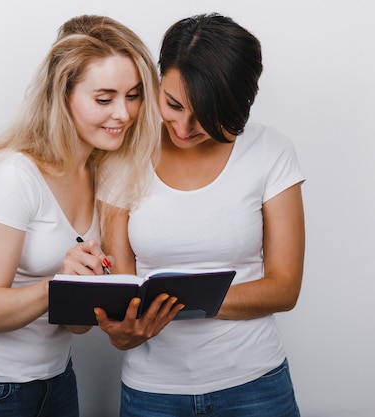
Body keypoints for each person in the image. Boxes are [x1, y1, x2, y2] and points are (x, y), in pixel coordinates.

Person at [0, 15, 162, 417]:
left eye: (134, 95)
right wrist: (61, 284)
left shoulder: (98, 172)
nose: (123, 113)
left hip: (56, 382)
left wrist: (91, 290)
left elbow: (76, 326)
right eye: (104, 99)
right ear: (62, 95)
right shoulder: (13, 176)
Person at [94, 13, 305, 417]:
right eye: (172, 104)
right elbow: (123, 303)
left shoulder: (270, 151)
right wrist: (123, 331)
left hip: (255, 386)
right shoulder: (121, 160)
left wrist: (173, 298)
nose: (185, 127)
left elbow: (284, 288)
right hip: (151, 392)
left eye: (206, 115)